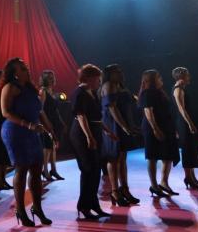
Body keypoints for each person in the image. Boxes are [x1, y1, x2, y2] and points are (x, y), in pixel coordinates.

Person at [0, 57, 55, 227]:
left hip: (32, 132)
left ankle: (37, 208)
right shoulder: (10, 87)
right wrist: (28, 124)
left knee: (37, 169)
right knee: (22, 169)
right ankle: (20, 210)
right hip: (15, 131)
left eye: (26, 67)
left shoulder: (31, 88)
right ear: (14, 73)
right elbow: (5, 112)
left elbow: (39, 111)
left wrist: (50, 128)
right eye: (22, 68)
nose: (27, 70)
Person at [69, 64, 114, 220]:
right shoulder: (79, 93)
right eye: (97, 78)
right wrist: (89, 137)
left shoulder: (92, 93)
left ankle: (94, 205)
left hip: (93, 132)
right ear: (88, 78)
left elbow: (96, 118)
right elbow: (81, 116)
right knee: (88, 170)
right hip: (81, 135)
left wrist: (108, 132)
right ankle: (84, 206)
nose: (99, 81)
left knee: (95, 171)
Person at [100, 64, 139, 205]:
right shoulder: (108, 85)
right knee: (114, 158)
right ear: (110, 74)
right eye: (117, 71)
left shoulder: (121, 86)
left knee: (122, 158)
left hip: (123, 124)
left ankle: (125, 189)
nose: (121, 73)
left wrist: (130, 125)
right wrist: (123, 126)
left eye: (121, 71)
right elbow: (112, 109)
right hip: (113, 125)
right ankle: (115, 192)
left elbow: (128, 106)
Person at [140, 69, 180, 197]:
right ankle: (154, 185)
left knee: (167, 155)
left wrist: (173, 129)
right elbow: (148, 112)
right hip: (153, 127)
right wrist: (155, 129)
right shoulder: (147, 93)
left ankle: (164, 182)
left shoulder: (160, 93)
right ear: (152, 80)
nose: (161, 79)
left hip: (166, 127)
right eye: (158, 77)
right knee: (153, 157)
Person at [172, 67, 198, 190]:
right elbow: (181, 109)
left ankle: (192, 178)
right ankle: (188, 178)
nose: (189, 76)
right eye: (187, 74)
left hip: (188, 122)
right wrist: (190, 124)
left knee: (191, 150)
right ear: (181, 76)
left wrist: (195, 123)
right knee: (187, 150)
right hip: (184, 123)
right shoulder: (178, 90)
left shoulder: (182, 89)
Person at [39, 70, 65, 181]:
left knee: (53, 147)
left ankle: (53, 170)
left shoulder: (51, 91)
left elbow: (54, 109)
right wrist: (47, 123)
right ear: (44, 79)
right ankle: (44, 171)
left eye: (52, 77)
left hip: (54, 121)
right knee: (47, 147)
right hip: (46, 122)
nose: (51, 79)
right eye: (49, 77)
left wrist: (61, 121)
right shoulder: (43, 91)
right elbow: (40, 109)